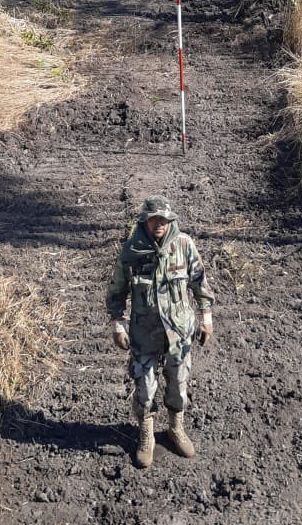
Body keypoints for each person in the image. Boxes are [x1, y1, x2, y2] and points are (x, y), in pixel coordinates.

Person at [106, 194, 214, 468]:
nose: (160, 224)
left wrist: (206, 316)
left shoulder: (183, 244)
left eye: (164, 219)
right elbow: (117, 291)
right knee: (145, 388)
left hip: (179, 331)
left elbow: (199, 281)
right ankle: (146, 434)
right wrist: (117, 323)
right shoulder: (132, 250)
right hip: (145, 333)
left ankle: (175, 428)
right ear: (145, 220)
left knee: (179, 383)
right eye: (154, 219)